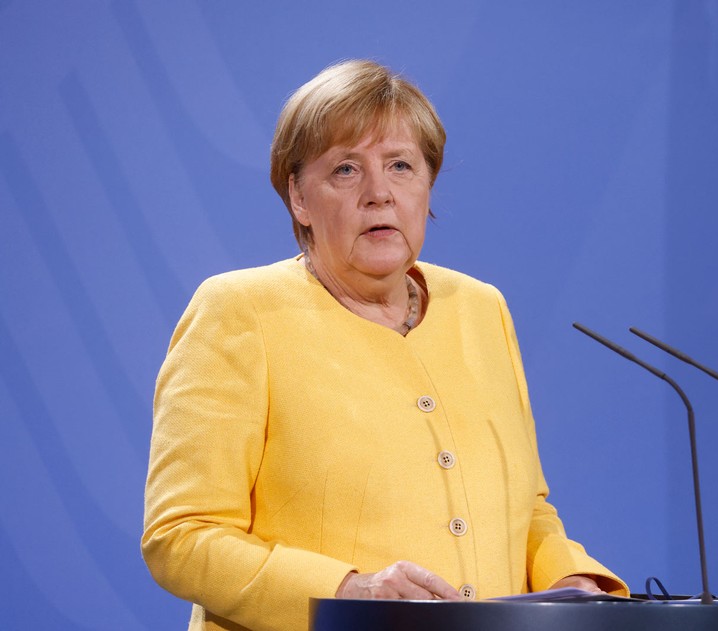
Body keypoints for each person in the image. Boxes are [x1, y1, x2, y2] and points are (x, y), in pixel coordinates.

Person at [142, 59, 628, 631]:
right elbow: (181, 536)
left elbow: (526, 510)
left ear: (427, 185)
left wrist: (572, 584)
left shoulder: (480, 309)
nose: (380, 194)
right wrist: (349, 592)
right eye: (346, 170)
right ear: (299, 196)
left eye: (401, 166)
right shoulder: (239, 312)